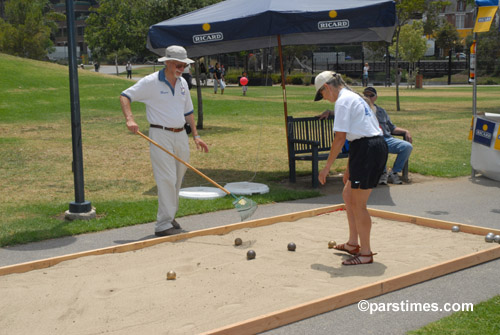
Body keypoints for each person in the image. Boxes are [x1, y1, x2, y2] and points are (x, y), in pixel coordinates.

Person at [119, 45, 209, 237]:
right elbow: (125, 96)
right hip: (160, 134)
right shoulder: (150, 82)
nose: (181, 68)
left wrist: (196, 136)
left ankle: (170, 216)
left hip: (180, 135)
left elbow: (188, 112)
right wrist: (130, 118)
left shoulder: (183, 83)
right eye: (178, 64)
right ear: (167, 62)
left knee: (177, 178)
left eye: (184, 65)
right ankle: (162, 225)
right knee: (166, 178)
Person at [314, 71, 388, 265]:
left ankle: (365, 253)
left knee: (358, 204)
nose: (324, 98)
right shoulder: (353, 97)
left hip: (368, 150)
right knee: (348, 195)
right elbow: (356, 136)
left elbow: (340, 138)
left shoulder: (343, 101)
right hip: (366, 148)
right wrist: (349, 168)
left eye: (321, 94)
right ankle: (353, 244)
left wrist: (326, 168)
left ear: (327, 87)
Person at [363, 87, 413, 185]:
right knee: (380, 146)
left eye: (371, 95)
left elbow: (392, 128)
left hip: (387, 138)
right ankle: (383, 173)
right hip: (372, 140)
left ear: (376, 97)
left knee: (407, 147)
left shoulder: (381, 111)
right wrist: (330, 112)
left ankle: (394, 172)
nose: (368, 97)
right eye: (366, 95)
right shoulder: (360, 110)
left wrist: (405, 131)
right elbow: (345, 114)